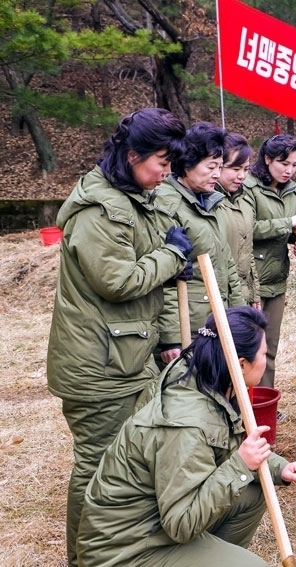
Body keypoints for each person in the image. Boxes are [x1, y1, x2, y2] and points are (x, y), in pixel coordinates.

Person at [46, 108, 189, 567]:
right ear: (132, 155)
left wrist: (166, 335)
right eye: (161, 163)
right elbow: (120, 281)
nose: (166, 174)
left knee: (130, 462)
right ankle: (83, 559)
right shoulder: (99, 210)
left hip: (128, 356)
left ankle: (122, 549)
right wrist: (171, 255)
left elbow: (150, 283)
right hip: (98, 365)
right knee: (97, 468)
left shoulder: (134, 198)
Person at [76, 306, 296, 566]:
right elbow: (180, 524)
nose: (266, 360)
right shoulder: (186, 425)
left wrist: (280, 467)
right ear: (241, 364)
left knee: (254, 491)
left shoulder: (200, 374)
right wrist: (240, 465)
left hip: (155, 520)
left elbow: (223, 444)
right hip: (124, 548)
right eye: (263, 353)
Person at [156, 122, 243, 363]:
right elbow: (164, 276)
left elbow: (226, 263)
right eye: (211, 166)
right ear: (187, 164)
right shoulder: (167, 204)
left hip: (217, 317)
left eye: (220, 166)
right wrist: (171, 336)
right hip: (190, 324)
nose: (217, 174)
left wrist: (239, 313)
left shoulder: (210, 202)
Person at [246, 134, 296, 391]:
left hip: (277, 277)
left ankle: (265, 398)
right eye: (284, 163)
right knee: (250, 345)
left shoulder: (294, 190)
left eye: (295, 164)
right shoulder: (249, 187)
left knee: (269, 346)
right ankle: (246, 401)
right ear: (267, 158)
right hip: (253, 278)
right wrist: (287, 224)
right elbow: (248, 229)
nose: (290, 170)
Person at [216, 132, 261, 309]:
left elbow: (247, 251)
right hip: (221, 295)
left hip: (242, 295)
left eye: (246, 169)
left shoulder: (245, 200)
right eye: (235, 169)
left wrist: (253, 292)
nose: (242, 176)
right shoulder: (210, 202)